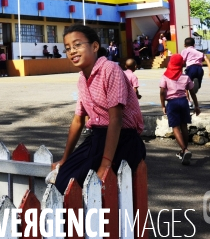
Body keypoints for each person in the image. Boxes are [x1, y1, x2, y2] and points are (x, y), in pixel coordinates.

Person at [52, 25, 145, 195]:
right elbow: (78, 120)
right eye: (68, 48)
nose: (72, 51)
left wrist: (105, 164)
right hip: (97, 138)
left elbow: (116, 119)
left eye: (77, 45)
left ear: (94, 47)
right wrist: (65, 159)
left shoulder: (109, 69)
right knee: (63, 179)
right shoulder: (82, 79)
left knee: (94, 188)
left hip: (123, 139)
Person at [159, 54, 200, 165]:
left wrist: (163, 105)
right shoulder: (185, 77)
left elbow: (162, 92)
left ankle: (185, 150)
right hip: (183, 102)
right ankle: (183, 151)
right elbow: (192, 93)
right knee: (184, 126)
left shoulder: (165, 76)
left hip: (172, 103)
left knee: (175, 127)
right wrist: (196, 106)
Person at [180, 37, 210, 101]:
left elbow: (181, 62)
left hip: (191, 68)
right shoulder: (199, 52)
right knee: (198, 85)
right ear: (194, 45)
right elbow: (207, 60)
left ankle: (188, 101)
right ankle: (196, 85)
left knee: (185, 86)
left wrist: (180, 72)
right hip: (200, 69)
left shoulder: (185, 51)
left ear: (184, 45)